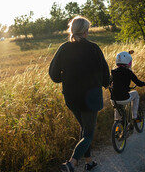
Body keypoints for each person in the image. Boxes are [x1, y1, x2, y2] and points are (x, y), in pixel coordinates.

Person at [49, 16, 110, 172]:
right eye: (87, 29)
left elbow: (54, 74)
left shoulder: (63, 48)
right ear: (85, 31)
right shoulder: (94, 48)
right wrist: (107, 83)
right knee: (88, 133)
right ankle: (72, 162)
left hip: (72, 97)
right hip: (91, 98)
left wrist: (66, 77)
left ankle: (89, 162)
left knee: (84, 129)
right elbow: (104, 71)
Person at [109, 50, 145, 122]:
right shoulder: (129, 72)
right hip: (124, 98)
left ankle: (117, 126)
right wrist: (143, 83)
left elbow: (109, 82)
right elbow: (138, 82)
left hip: (113, 99)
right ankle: (134, 116)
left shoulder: (113, 72)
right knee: (135, 94)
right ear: (128, 61)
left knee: (117, 107)